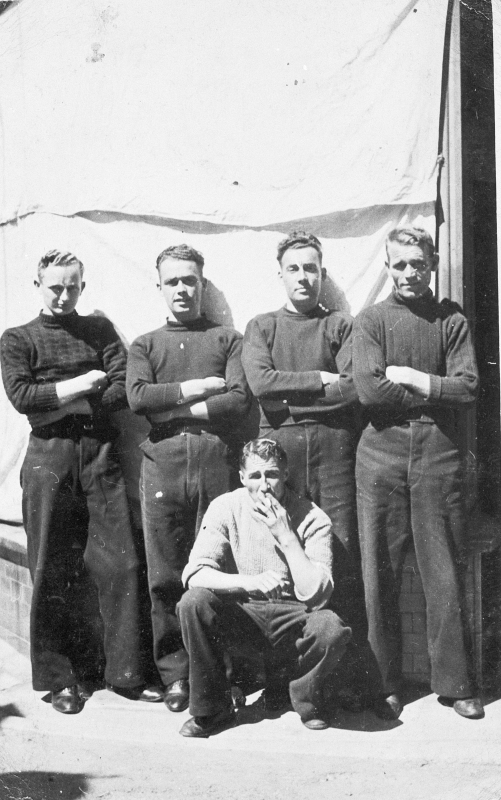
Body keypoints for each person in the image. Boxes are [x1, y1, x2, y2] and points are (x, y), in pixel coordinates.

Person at [0, 249, 153, 714]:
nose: (64, 296)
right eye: (55, 287)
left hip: (99, 452)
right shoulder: (18, 338)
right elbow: (22, 396)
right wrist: (85, 383)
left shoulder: (100, 331)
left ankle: (126, 673)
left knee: (121, 561)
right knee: (50, 563)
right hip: (49, 455)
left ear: (82, 287)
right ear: (38, 286)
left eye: (72, 287)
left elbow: (121, 390)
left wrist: (59, 401)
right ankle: (60, 679)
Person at [352, 226, 484, 720]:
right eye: (401, 264)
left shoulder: (451, 320)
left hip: (439, 453)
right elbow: (369, 391)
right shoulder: (371, 320)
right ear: (388, 266)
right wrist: (435, 391)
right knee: (378, 572)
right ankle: (383, 683)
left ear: (432, 265)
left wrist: (411, 378)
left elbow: (468, 387)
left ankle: (455, 683)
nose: (410, 272)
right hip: (380, 453)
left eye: (419, 264)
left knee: (443, 569)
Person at [241, 231, 368, 702]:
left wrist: (290, 400)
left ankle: (342, 679)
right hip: (281, 452)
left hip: (334, 450)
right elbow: (261, 384)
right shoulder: (262, 327)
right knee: (279, 550)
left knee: (341, 553)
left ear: (322, 273)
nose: (302, 277)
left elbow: (354, 388)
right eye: (293, 268)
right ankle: (282, 680)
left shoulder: (340, 325)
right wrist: (319, 379)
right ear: (280, 275)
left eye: (310, 268)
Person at [126, 243, 251, 714]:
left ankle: (222, 673)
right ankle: (176, 674)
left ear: (203, 284)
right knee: (165, 573)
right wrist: (196, 388)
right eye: (172, 281)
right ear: (159, 287)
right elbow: (138, 398)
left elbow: (238, 400)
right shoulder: (145, 344)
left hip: (215, 459)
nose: (182, 288)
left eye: (189, 280)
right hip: (162, 464)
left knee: (220, 567)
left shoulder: (227, 339)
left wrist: (174, 408)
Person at [177, 438, 352, 737]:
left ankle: (305, 700)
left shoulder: (313, 517)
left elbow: (318, 595)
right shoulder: (225, 507)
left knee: (330, 628)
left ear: (285, 475)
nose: (264, 485)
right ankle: (213, 709)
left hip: (294, 614)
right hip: (245, 611)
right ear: (242, 477)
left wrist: (286, 535)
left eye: (271, 474)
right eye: (255, 476)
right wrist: (247, 581)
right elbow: (194, 574)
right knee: (193, 602)